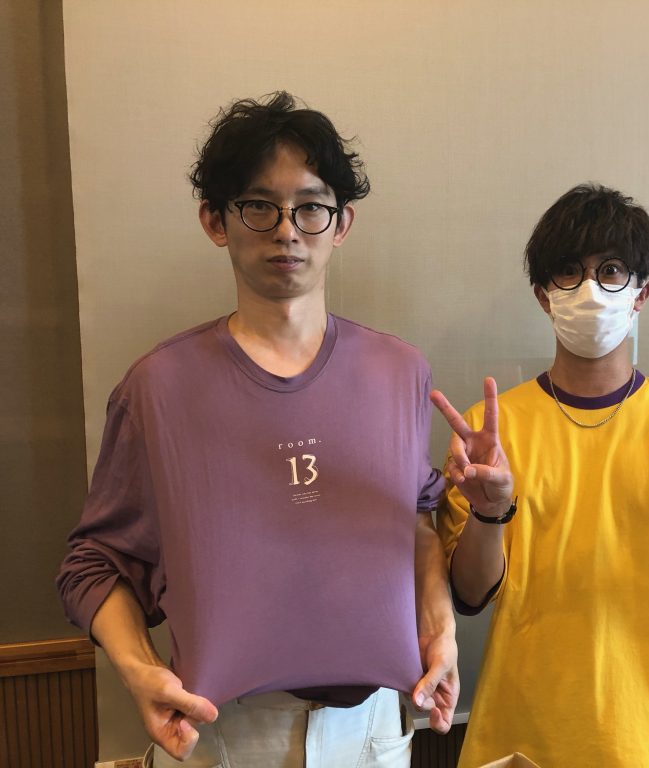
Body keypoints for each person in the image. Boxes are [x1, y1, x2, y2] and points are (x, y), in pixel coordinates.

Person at [56, 92, 458, 767]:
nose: (287, 231)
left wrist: (439, 627)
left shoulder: (400, 372)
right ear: (215, 220)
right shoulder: (159, 387)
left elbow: (416, 522)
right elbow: (91, 564)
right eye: (259, 206)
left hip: (376, 731)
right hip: (223, 734)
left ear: (341, 222)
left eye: (310, 207)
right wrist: (138, 668)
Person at [430, 184, 649, 767]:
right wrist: (490, 513)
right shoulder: (491, 432)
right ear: (544, 295)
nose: (590, 289)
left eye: (611, 270)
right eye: (569, 272)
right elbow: (470, 594)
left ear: (642, 292)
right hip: (530, 731)